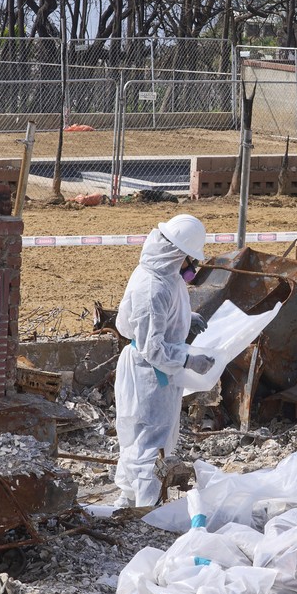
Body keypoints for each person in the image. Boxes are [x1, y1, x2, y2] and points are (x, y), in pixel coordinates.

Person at [112, 213, 215, 507]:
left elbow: (164, 318)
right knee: (147, 443)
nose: (192, 267)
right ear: (175, 253)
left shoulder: (167, 276)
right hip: (147, 373)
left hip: (160, 374)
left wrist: (185, 319)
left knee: (151, 438)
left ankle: (129, 500)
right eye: (190, 259)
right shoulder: (152, 288)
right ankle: (144, 509)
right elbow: (153, 349)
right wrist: (188, 359)